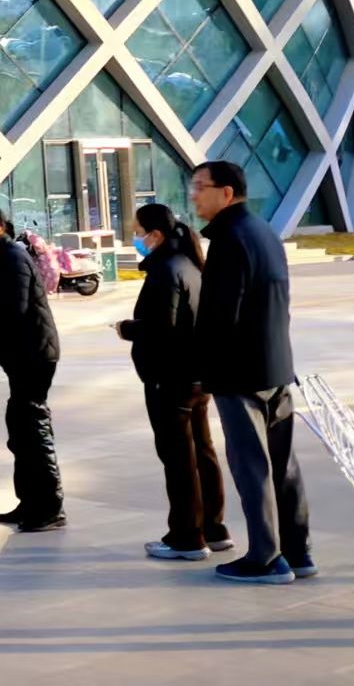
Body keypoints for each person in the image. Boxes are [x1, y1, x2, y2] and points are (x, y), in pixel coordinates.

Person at [191, 161, 313, 584]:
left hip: (239, 374)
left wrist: (203, 369)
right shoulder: (264, 232)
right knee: (283, 465)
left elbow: (221, 315)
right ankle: (298, 552)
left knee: (251, 466)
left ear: (227, 192)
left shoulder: (230, 239)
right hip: (276, 366)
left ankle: (265, 559)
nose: (194, 195)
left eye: (200, 186)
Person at [117, 201, 230, 561]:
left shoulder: (165, 270)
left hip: (170, 377)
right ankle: (213, 527)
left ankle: (187, 537)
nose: (136, 239)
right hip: (196, 376)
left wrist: (127, 328)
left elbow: (161, 328)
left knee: (179, 457)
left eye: (138, 233)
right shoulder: (191, 265)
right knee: (202, 451)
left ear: (155, 235)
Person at [0, 204, 64, 532]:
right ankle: (29, 501)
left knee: (32, 426)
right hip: (19, 353)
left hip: (34, 353)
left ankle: (50, 507)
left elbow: (13, 306)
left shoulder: (12, 255)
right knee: (19, 427)